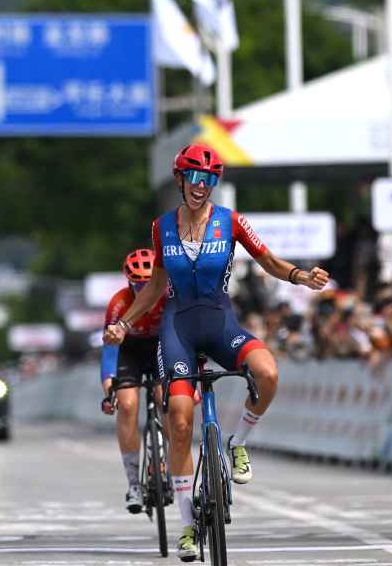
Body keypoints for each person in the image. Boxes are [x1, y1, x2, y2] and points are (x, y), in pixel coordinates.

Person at [104, 143, 329, 562]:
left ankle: (238, 442)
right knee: (180, 419)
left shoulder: (232, 221)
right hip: (178, 328)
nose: (201, 186)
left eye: (208, 179)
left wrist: (300, 276)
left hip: (220, 322)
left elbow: (269, 262)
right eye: (194, 177)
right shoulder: (161, 228)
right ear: (180, 180)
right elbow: (154, 288)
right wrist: (125, 323)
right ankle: (188, 528)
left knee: (268, 373)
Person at [100, 248, 167, 514]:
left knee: (169, 399)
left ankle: (171, 467)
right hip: (131, 350)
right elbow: (109, 350)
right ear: (129, 282)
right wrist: (109, 388)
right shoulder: (119, 303)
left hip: (162, 347)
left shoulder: (170, 296)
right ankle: (133, 484)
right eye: (138, 284)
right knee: (127, 405)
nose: (143, 289)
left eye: (148, 283)